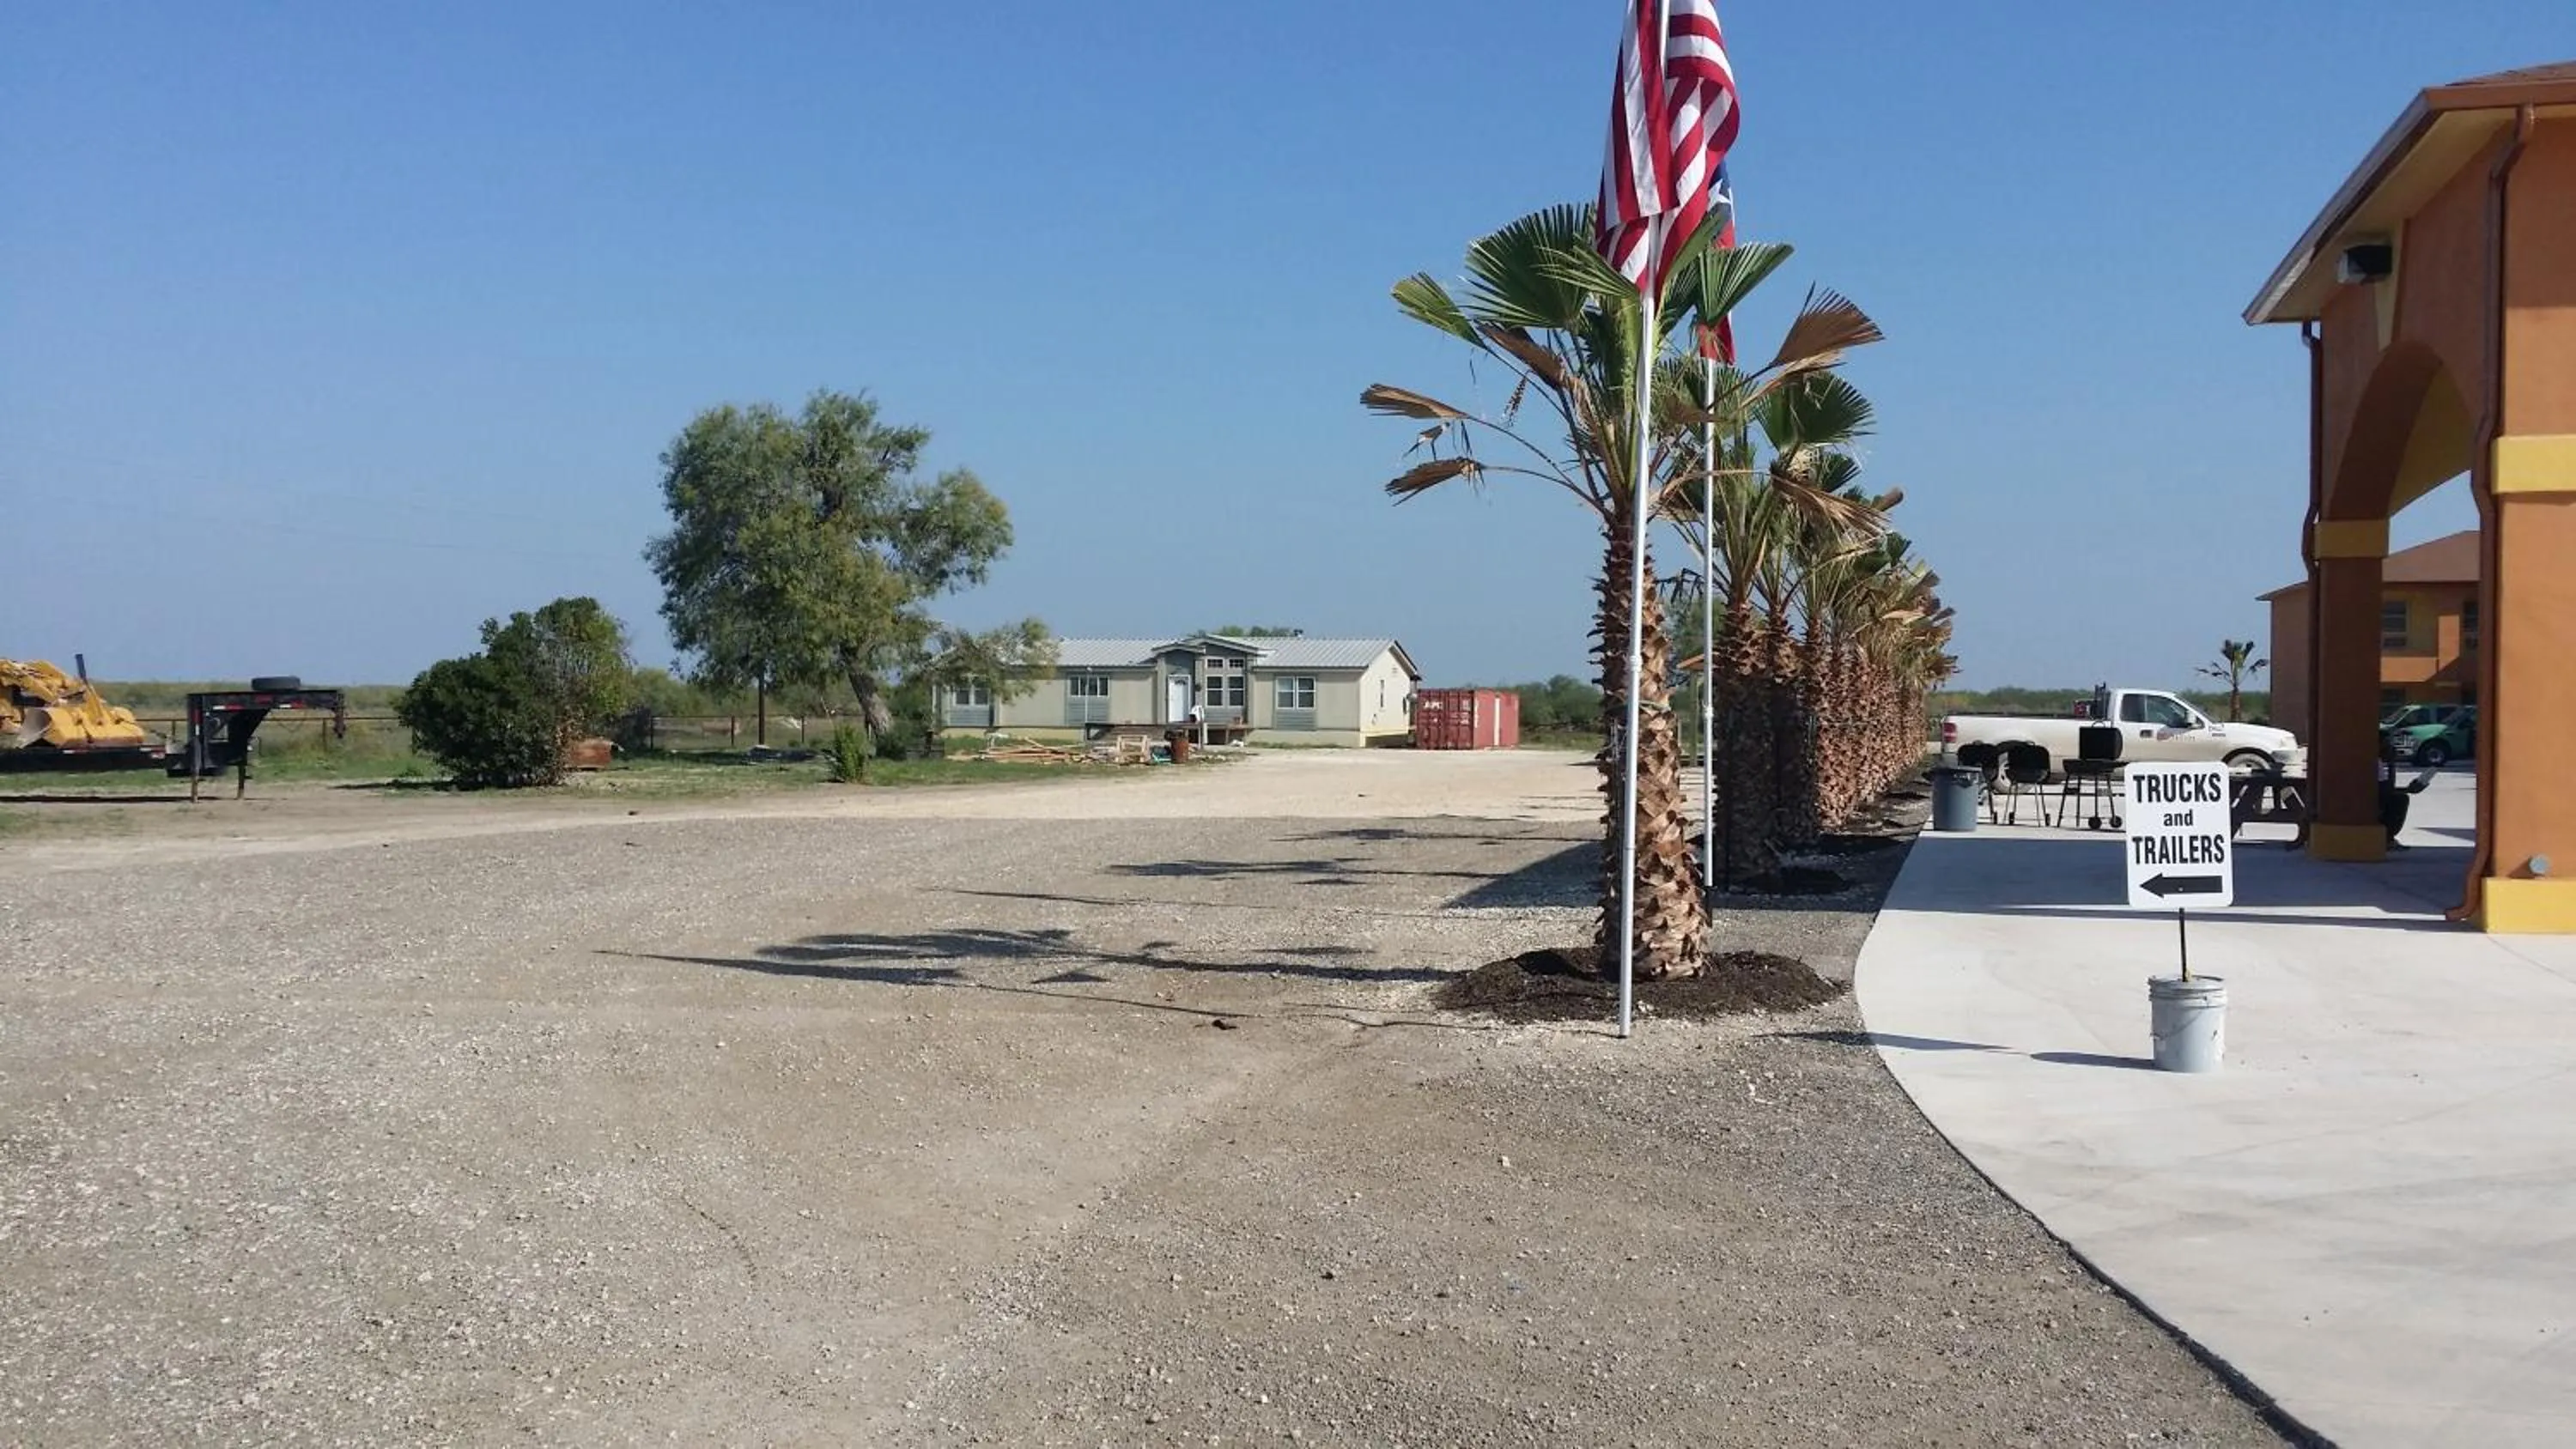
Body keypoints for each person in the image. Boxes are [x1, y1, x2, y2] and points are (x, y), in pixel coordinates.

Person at [2379, 731, 2428, 849]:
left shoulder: (2385, 763)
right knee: (2400, 801)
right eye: (2387, 744)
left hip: (2379, 796)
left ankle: (2388, 838)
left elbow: (2385, 788)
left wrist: (2407, 789)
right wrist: (2405, 791)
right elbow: (2381, 790)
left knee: (2400, 798)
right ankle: (2387, 838)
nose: (2392, 748)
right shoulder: (2377, 763)